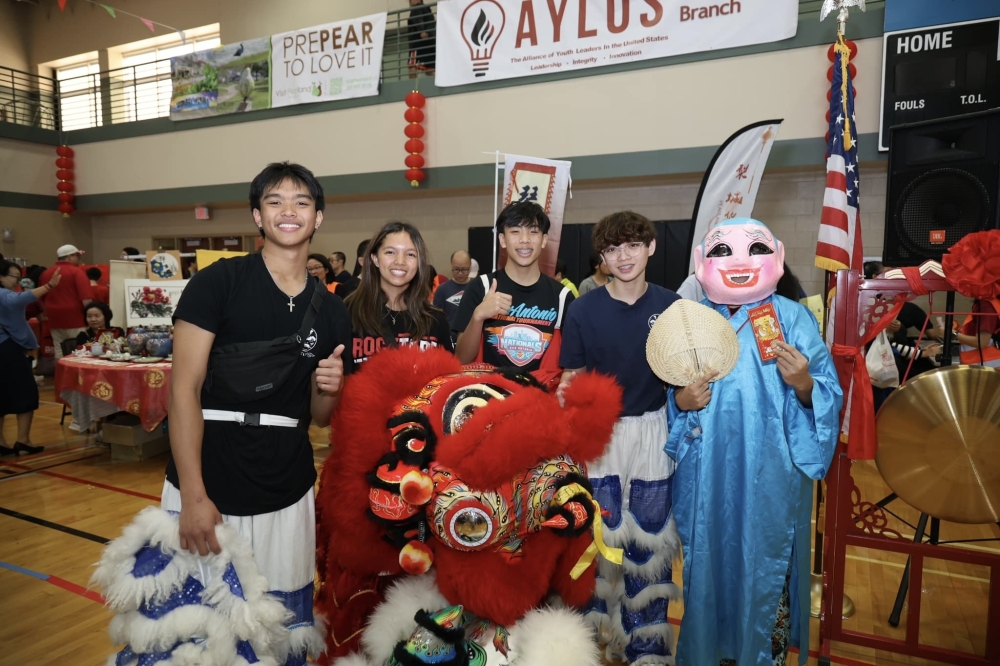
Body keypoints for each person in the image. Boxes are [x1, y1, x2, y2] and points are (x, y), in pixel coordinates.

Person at [162, 161, 352, 666]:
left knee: (280, 622)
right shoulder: (217, 283)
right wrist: (193, 495)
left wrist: (330, 388)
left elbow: (318, 417)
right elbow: (183, 391)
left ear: (318, 218)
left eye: (302, 202)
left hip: (286, 483)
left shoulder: (334, 310)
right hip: (210, 479)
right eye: (275, 201)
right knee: (199, 625)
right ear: (257, 215)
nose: (289, 211)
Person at [667, 218, 842, 666]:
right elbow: (671, 395)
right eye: (722, 251)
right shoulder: (691, 321)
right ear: (701, 262)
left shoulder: (792, 318)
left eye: (756, 248)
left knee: (764, 563)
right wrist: (681, 401)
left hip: (770, 472)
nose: (739, 261)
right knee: (707, 564)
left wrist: (805, 383)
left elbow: (827, 393)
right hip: (706, 473)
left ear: (778, 256)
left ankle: (762, 655)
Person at [557, 211, 681, 666]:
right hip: (600, 435)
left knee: (649, 541)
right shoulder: (583, 308)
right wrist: (566, 396)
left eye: (632, 245)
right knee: (595, 538)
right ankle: (590, 642)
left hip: (653, 430)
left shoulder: (672, 307)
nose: (623, 256)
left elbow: (685, 374)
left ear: (650, 247)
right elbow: (572, 375)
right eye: (612, 249)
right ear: (602, 258)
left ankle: (646, 648)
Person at [452, 201, 574, 390]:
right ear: (502, 239)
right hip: (488, 399)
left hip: (540, 400)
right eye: (515, 231)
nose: (524, 239)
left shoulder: (563, 297)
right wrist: (478, 316)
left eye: (533, 232)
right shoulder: (481, 287)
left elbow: (572, 365)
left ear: (544, 240)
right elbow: (461, 360)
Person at [345, 221, 453, 369]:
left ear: (419, 263)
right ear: (375, 259)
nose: (400, 261)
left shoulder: (435, 320)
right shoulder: (348, 312)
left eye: (410, 254)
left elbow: (448, 375)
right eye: (390, 252)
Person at [1, 260, 60, 456]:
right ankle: (23, 439)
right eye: (14, 277)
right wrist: (49, 286)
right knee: (26, 392)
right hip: (7, 348)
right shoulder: (4, 295)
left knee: (2, 393)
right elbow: (21, 298)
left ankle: (1, 442)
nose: (17, 282)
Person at [39, 244, 93, 358]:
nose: (79, 259)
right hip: (75, 318)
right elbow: (86, 299)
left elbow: (42, 297)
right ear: (69, 257)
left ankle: (60, 370)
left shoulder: (46, 273)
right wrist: (90, 317)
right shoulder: (77, 272)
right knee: (80, 350)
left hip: (54, 318)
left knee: (59, 349)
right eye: (77, 256)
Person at [432, 250, 472, 330]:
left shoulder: (477, 287)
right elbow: (437, 318)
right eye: (456, 269)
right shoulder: (442, 289)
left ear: (470, 267)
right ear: (452, 267)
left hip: (472, 334)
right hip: (449, 334)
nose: (460, 273)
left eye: (464, 269)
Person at [407, 0, 436, 75]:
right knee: (430, 67)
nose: (410, 2)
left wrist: (421, 31)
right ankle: (434, 82)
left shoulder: (416, 8)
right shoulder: (428, 10)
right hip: (431, 42)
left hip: (417, 43)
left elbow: (418, 19)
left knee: (412, 65)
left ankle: (412, 82)